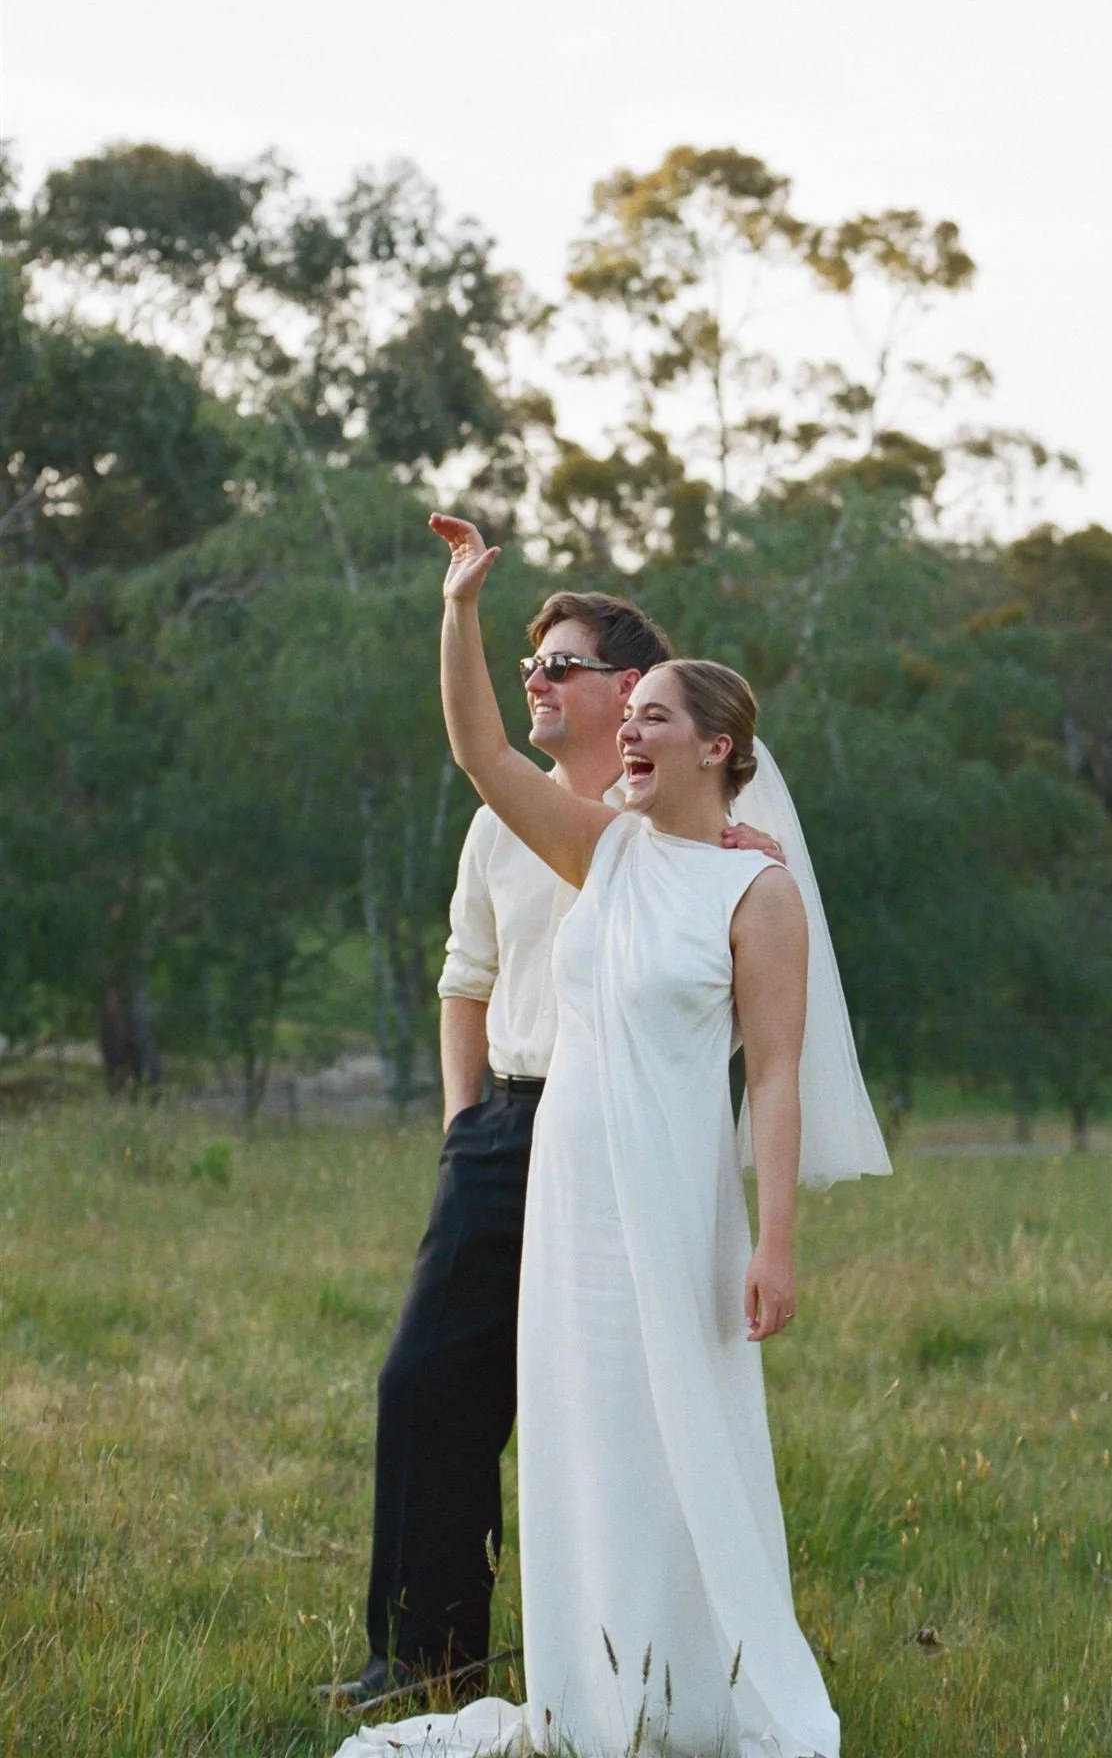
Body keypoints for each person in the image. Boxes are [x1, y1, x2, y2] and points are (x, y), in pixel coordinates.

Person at [331, 515, 889, 1758]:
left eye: (650, 717)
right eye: (620, 713)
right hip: (556, 1171)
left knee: (667, 1418)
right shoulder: (602, 849)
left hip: (670, 1182)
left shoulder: (757, 889)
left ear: (716, 746)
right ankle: (584, 1684)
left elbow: (780, 1075)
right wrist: (460, 607)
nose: (626, 730)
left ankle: (693, 1678)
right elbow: (480, 751)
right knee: (566, 1421)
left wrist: (778, 1241)